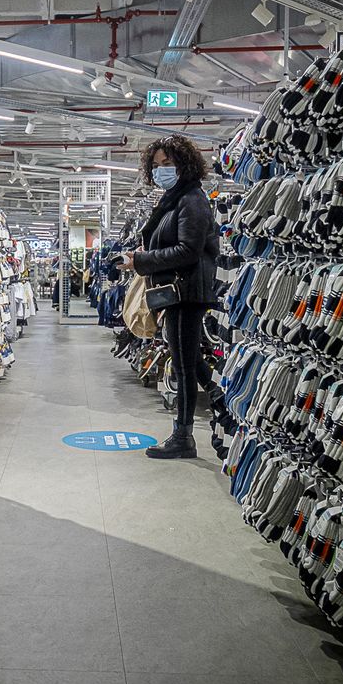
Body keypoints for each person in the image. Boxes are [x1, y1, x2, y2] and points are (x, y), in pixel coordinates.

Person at [121, 135, 219, 459]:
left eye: (167, 163)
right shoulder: (175, 199)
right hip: (177, 291)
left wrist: (142, 261)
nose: (161, 170)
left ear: (184, 164)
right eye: (156, 165)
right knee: (188, 357)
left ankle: (183, 436)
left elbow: (188, 250)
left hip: (187, 292)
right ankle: (222, 400)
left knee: (183, 365)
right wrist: (143, 253)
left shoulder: (192, 199)